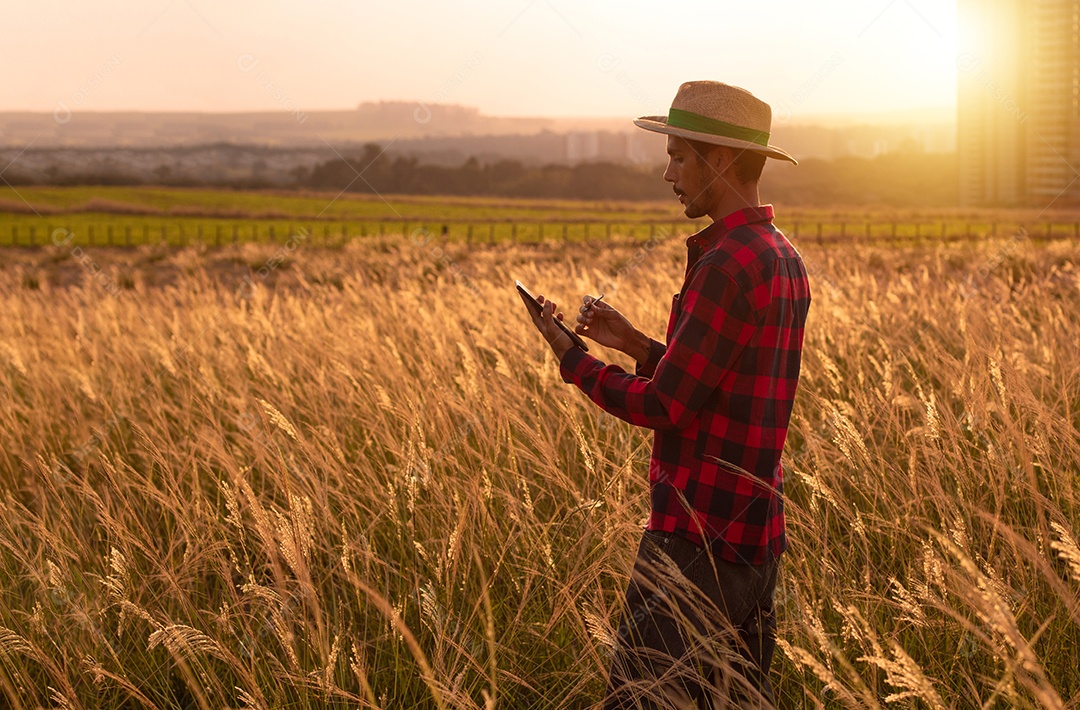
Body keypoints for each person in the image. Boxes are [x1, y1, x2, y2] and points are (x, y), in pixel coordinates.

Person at [522, 80, 811, 708]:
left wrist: (572, 358)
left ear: (722, 160)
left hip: (694, 539)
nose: (668, 172)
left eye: (679, 155)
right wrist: (636, 343)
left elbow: (665, 407)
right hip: (755, 540)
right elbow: (719, 385)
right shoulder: (780, 255)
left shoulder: (726, 264)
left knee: (640, 700)